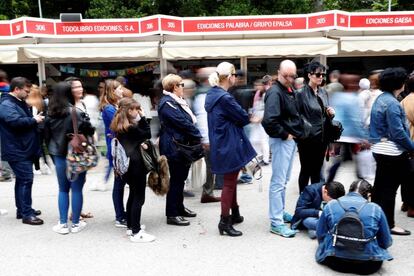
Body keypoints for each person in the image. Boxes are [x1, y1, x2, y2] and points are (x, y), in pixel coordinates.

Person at [205, 62, 256, 237]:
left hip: (221, 143)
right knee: (228, 183)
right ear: (229, 77)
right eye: (235, 75)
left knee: (231, 180)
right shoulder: (225, 98)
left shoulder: (212, 94)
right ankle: (224, 222)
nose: (236, 78)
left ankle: (234, 214)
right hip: (228, 143)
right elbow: (242, 117)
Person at [262, 59, 307, 238]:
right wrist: (285, 134)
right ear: (278, 73)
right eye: (286, 75)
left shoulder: (288, 90)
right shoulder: (275, 92)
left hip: (288, 140)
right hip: (282, 140)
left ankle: (279, 213)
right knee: (279, 182)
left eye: (292, 76)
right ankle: (276, 221)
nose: (289, 78)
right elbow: (269, 121)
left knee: (283, 180)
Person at [45, 82, 95, 234]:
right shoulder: (77, 112)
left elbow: (46, 137)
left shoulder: (49, 113)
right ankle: (75, 224)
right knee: (77, 189)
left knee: (62, 189)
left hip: (58, 155)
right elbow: (89, 131)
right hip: (76, 154)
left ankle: (62, 224)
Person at [370, 67, 414, 235]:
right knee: (388, 190)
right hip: (392, 151)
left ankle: (375, 221)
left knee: (380, 188)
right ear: (399, 83)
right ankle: (389, 225)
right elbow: (398, 133)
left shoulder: (381, 99)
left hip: (380, 148)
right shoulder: (392, 104)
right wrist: (411, 147)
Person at [316, 180, 392, 275]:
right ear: (369, 195)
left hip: (335, 261)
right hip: (369, 265)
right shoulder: (375, 208)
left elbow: (320, 234)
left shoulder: (331, 205)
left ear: (349, 191)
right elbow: (386, 241)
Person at [158, 74, 202, 226]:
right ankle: (172, 214)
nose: (184, 87)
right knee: (176, 181)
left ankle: (179, 207)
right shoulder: (167, 103)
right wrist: (198, 135)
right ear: (175, 87)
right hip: (174, 146)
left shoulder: (176, 101)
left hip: (180, 145)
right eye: (181, 84)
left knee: (181, 179)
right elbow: (183, 122)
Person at [0, 77, 44, 225]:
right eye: (26, 91)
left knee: (22, 180)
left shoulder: (17, 102)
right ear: (16, 89)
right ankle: (26, 214)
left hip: (22, 148)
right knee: (26, 180)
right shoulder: (6, 104)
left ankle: (23, 209)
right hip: (17, 149)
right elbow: (14, 121)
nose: (28, 93)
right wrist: (34, 120)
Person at [110, 98, 155, 242]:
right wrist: (142, 117)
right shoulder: (131, 127)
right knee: (138, 198)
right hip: (136, 165)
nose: (138, 111)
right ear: (130, 111)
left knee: (132, 196)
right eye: (136, 109)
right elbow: (147, 133)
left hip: (127, 166)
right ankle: (136, 232)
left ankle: (131, 226)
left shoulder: (119, 125)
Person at [296, 62, 335, 193]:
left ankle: (315, 198)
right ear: (309, 75)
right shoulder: (300, 93)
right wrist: (300, 134)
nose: (321, 77)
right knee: (306, 170)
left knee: (317, 171)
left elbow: (323, 114)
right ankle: (303, 197)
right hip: (307, 139)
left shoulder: (323, 92)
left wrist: (330, 113)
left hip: (322, 138)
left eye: (323, 75)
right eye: (318, 74)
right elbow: (296, 116)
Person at [99, 78, 127, 227]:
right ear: (112, 91)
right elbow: (121, 126)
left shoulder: (114, 106)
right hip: (116, 149)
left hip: (119, 148)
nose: (122, 91)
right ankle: (120, 216)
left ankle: (122, 214)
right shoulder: (109, 109)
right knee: (119, 184)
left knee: (120, 183)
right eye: (119, 89)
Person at [193, 67, 221, 203]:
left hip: (209, 136)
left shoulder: (203, 93)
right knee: (209, 166)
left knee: (211, 166)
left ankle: (208, 191)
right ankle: (207, 193)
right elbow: (202, 117)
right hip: (208, 137)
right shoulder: (205, 94)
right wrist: (206, 138)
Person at [26, 84, 52, 175]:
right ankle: (45, 166)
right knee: (41, 147)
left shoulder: (28, 103)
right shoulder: (42, 102)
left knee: (36, 148)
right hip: (41, 128)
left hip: (35, 128)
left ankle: (38, 168)